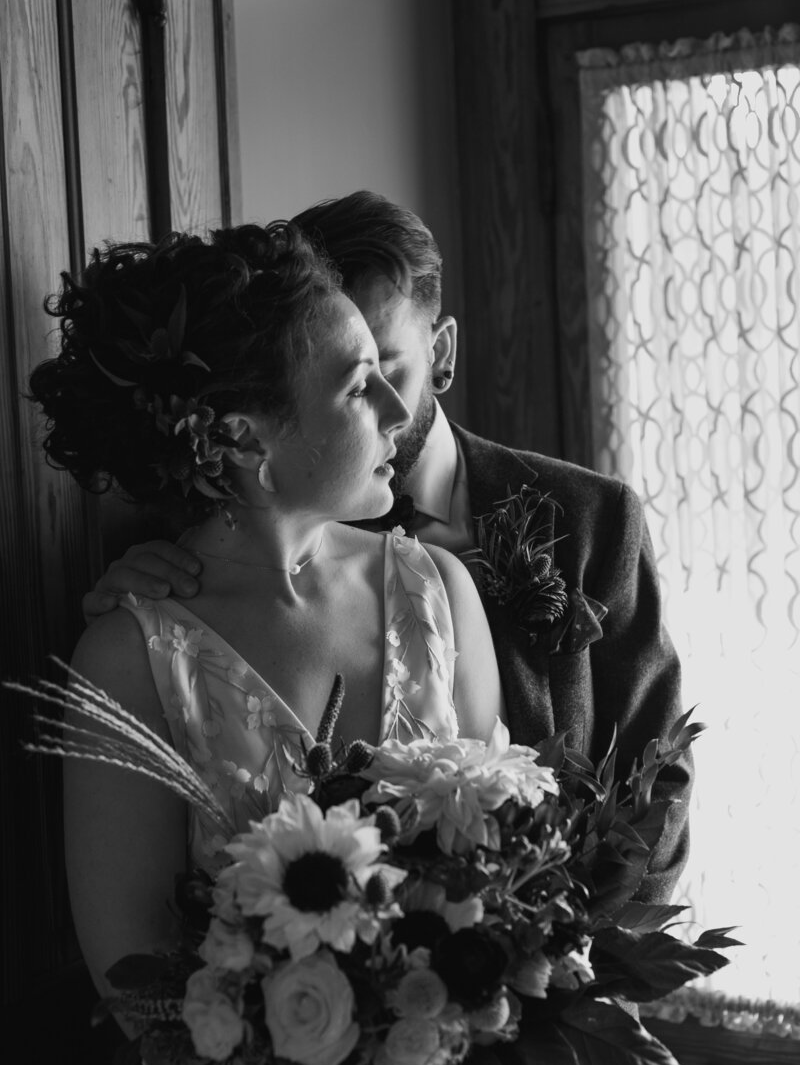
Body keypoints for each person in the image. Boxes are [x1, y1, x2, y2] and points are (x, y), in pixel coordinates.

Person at [86, 193, 692, 913]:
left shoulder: (585, 522)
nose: (391, 415)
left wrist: (570, 981)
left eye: (388, 367)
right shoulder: (161, 583)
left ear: (441, 353)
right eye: (350, 381)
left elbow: (656, 787)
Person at [29, 221, 505, 1013]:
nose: (398, 408)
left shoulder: (440, 591)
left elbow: (516, 857)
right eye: (358, 386)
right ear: (245, 437)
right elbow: (140, 989)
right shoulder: (130, 659)